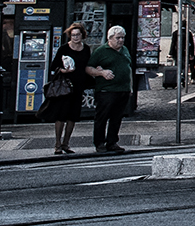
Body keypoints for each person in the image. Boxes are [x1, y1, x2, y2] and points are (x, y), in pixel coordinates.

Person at [86, 25, 132, 154]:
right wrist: (102, 73)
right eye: (118, 38)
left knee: (117, 117)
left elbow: (128, 68)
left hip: (123, 89)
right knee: (102, 116)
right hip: (107, 90)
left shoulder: (125, 50)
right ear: (110, 38)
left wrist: (130, 87)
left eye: (122, 38)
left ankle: (112, 141)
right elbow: (89, 68)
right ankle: (99, 142)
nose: (121, 40)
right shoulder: (101, 51)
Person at [48, 23, 90, 154]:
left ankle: (66, 143)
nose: (75, 37)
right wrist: (63, 70)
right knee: (61, 115)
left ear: (82, 35)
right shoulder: (64, 49)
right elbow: (53, 66)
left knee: (73, 115)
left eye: (78, 35)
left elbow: (88, 65)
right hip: (64, 85)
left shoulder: (86, 49)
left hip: (78, 85)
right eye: (73, 35)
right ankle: (57, 144)